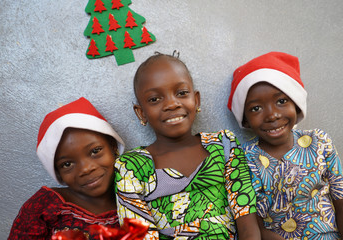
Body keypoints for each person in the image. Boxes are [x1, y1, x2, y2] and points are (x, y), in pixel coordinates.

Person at [115, 52, 260, 239]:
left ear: (196, 100)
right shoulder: (130, 167)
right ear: (141, 113)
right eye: (154, 99)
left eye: (181, 93)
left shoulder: (224, 145)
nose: (172, 104)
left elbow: (247, 218)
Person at [227, 51, 343, 239]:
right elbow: (252, 226)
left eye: (281, 101)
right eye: (256, 108)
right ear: (245, 120)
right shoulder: (243, 160)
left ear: (296, 105)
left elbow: (340, 202)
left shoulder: (320, 142)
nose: (272, 115)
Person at [8, 97, 125, 239]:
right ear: (57, 172)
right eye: (67, 164)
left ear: (113, 146)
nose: (86, 169)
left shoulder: (136, 199)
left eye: (95, 151)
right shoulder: (44, 207)